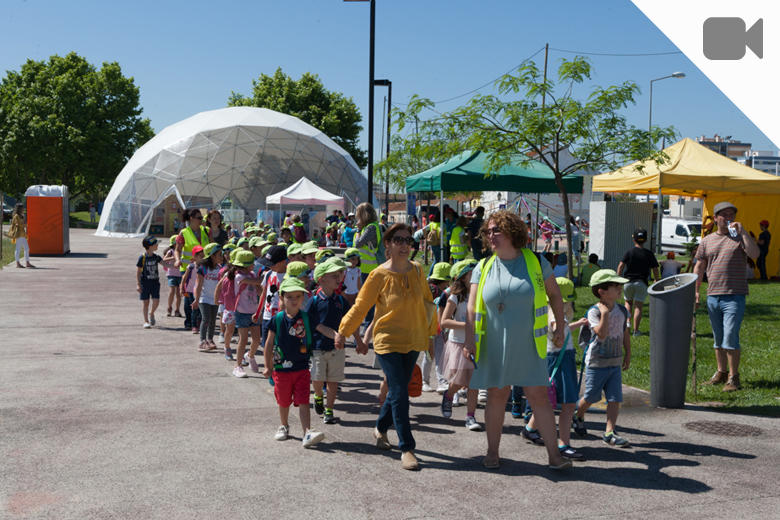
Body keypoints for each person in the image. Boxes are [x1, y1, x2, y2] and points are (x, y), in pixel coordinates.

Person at [464, 210, 570, 470]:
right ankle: (492, 452)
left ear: (512, 233)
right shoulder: (483, 266)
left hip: (528, 342)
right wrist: (470, 340)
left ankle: (554, 456)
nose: (490, 236)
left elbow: (555, 295)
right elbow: (470, 307)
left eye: (495, 231)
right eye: (487, 232)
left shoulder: (535, 262)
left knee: (538, 397)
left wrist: (559, 324)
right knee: (497, 395)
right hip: (494, 342)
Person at [337, 223, 437, 471]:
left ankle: (380, 429)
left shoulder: (417, 270)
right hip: (387, 340)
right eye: (398, 240)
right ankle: (407, 447)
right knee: (400, 392)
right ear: (388, 245)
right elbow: (361, 307)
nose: (404, 245)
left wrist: (431, 334)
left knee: (396, 392)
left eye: (407, 241)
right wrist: (344, 331)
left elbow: (427, 303)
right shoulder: (378, 275)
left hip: (413, 338)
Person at [694, 202, 759, 392]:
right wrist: (696, 290)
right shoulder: (707, 241)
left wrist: (744, 232)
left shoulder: (740, 238)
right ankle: (721, 372)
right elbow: (699, 266)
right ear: (715, 218)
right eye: (724, 214)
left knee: (730, 337)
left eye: (732, 214)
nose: (729, 217)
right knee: (718, 337)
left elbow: (754, 254)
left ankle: (733, 377)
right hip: (713, 295)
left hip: (734, 295)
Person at [524, 277, 589, 460]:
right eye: (570, 302)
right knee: (568, 404)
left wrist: (576, 325)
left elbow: (563, 329)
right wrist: (559, 332)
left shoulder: (550, 310)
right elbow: (556, 328)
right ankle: (563, 444)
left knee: (548, 400)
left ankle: (530, 428)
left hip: (554, 358)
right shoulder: (555, 311)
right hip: (560, 361)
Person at [262, 277, 325, 448]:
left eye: (298, 296)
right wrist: (267, 365)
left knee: (304, 400)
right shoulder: (277, 319)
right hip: (281, 369)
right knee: (283, 401)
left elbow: (321, 328)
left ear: (303, 298)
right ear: (282, 298)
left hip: (302, 368)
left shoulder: (307, 317)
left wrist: (337, 335)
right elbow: (268, 343)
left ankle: (307, 432)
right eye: (290, 297)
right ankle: (284, 425)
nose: (294, 300)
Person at [573, 269, 632, 447]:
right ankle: (577, 415)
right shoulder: (594, 312)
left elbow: (625, 334)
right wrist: (605, 314)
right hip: (596, 362)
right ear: (602, 291)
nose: (620, 289)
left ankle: (609, 432)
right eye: (616, 286)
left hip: (614, 362)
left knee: (615, 398)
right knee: (591, 396)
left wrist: (628, 353)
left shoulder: (622, 310)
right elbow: (601, 334)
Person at [309, 258, 367, 424]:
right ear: (321, 279)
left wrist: (359, 340)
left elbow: (350, 322)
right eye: (334, 275)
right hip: (318, 348)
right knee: (318, 378)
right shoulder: (314, 301)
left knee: (333, 380)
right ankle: (318, 395)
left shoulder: (340, 301)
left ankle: (329, 410)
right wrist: (335, 335)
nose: (339, 278)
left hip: (338, 349)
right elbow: (315, 324)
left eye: (340, 274)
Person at [439, 259, 483, 432]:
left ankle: (470, 416)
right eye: (472, 274)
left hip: (478, 343)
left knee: (474, 382)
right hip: (459, 343)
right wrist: (467, 326)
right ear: (464, 277)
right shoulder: (455, 297)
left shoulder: (482, 296)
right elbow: (444, 322)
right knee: (459, 381)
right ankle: (449, 395)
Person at [617, 228, 659, 336]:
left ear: (633, 239)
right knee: (638, 307)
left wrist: (618, 279)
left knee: (628, 303)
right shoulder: (649, 254)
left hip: (628, 282)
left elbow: (621, 266)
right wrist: (657, 279)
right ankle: (636, 331)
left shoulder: (629, 252)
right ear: (645, 239)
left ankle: (627, 324)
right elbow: (655, 268)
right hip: (641, 283)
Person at [231, 250, 264, 378]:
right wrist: (264, 278)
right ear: (245, 265)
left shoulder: (251, 274)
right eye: (251, 263)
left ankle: (250, 355)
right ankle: (237, 366)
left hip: (254, 312)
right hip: (241, 312)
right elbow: (258, 282)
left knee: (256, 340)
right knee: (243, 340)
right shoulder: (239, 276)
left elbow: (259, 290)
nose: (254, 265)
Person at [423, 262, 452, 394]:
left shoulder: (434, 289)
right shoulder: (434, 290)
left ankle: (439, 381)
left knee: (436, 355)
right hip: (431, 327)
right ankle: (426, 381)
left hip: (437, 328)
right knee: (430, 355)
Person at [193, 243, 222, 351]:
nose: (221, 257)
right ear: (212, 256)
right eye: (219, 254)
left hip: (214, 299)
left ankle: (210, 339)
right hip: (204, 298)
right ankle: (202, 341)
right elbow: (199, 285)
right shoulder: (203, 268)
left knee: (213, 321)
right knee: (206, 319)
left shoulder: (220, 268)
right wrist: (196, 299)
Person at [137, 236, 163, 328]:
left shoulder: (156, 257)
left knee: (156, 301)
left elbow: (165, 263)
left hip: (155, 283)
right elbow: (139, 272)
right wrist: (138, 284)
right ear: (150, 246)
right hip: (145, 283)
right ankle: (146, 321)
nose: (157, 245)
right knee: (146, 302)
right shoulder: (142, 258)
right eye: (155, 244)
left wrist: (176, 262)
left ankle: (151, 313)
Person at [174, 209, 210, 276]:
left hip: (204, 268)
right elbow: (177, 250)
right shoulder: (183, 233)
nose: (201, 220)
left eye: (201, 218)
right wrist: (177, 260)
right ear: (191, 218)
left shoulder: (207, 230)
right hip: (188, 269)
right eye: (199, 218)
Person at [181, 246, 204, 333]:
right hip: (190, 290)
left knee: (198, 309)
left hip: (199, 291)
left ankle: (196, 325)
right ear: (194, 256)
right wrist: (181, 288)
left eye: (202, 255)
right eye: (199, 255)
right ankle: (190, 324)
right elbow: (184, 278)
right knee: (190, 308)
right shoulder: (191, 266)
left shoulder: (204, 267)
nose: (201, 257)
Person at [8, 203, 34, 268]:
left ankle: (27, 263)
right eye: (22, 208)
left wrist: (24, 224)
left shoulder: (21, 215)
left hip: (23, 234)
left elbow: (21, 224)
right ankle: (17, 263)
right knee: (18, 249)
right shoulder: (16, 216)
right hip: (18, 234)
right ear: (19, 209)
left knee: (27, 249)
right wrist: (24, 225)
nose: (23, 209)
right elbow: (17, 224)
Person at [163, 236, 182, 317]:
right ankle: (169, 308)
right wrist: (173, 257)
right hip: (171, 274)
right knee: (172, 291)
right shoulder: (171, 251)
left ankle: (177, 310)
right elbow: (163, 259)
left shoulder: (183, 251)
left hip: (181, 274)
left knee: (179, 293)